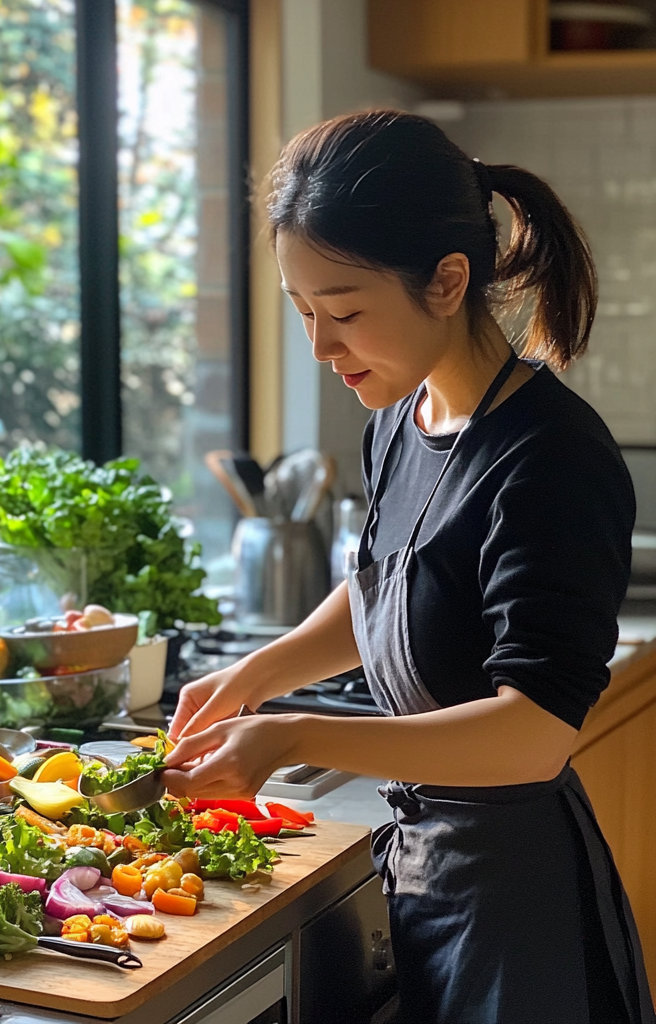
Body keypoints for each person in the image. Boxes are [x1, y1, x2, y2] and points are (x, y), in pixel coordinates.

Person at [163, 110, 654, 1024]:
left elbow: (535, 730)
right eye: (303, 311)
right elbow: (390, 582)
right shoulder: (402, 413)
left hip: (518, 904)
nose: (320, 346)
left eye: (344, 311)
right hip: (424, 866)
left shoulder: (553, 456)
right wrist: (254, 677)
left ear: (447, 282)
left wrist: (294, 733)